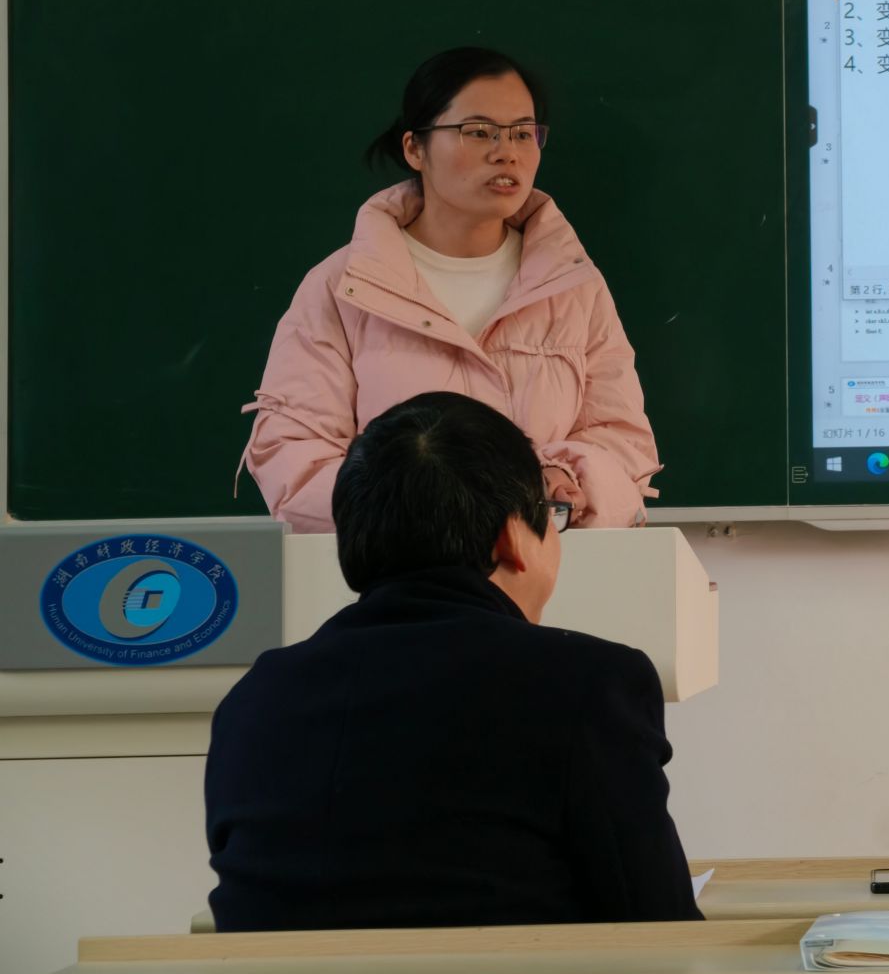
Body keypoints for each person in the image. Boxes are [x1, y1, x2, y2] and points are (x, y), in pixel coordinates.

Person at [205, 391, 704, 931]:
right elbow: (660, 925)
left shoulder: (253, 700)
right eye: (550, 516)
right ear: (512, 537)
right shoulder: (591, 684)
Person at [242, 47, 658, 531]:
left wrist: (563, 477)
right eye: (478, 131)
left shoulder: (572, 286)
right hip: (396, 571)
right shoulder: (343, 288)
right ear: (415, 149)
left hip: (548, 566)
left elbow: (623, 443)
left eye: (523, 133)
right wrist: (438, 499)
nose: (507, 152)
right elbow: (294, 461)